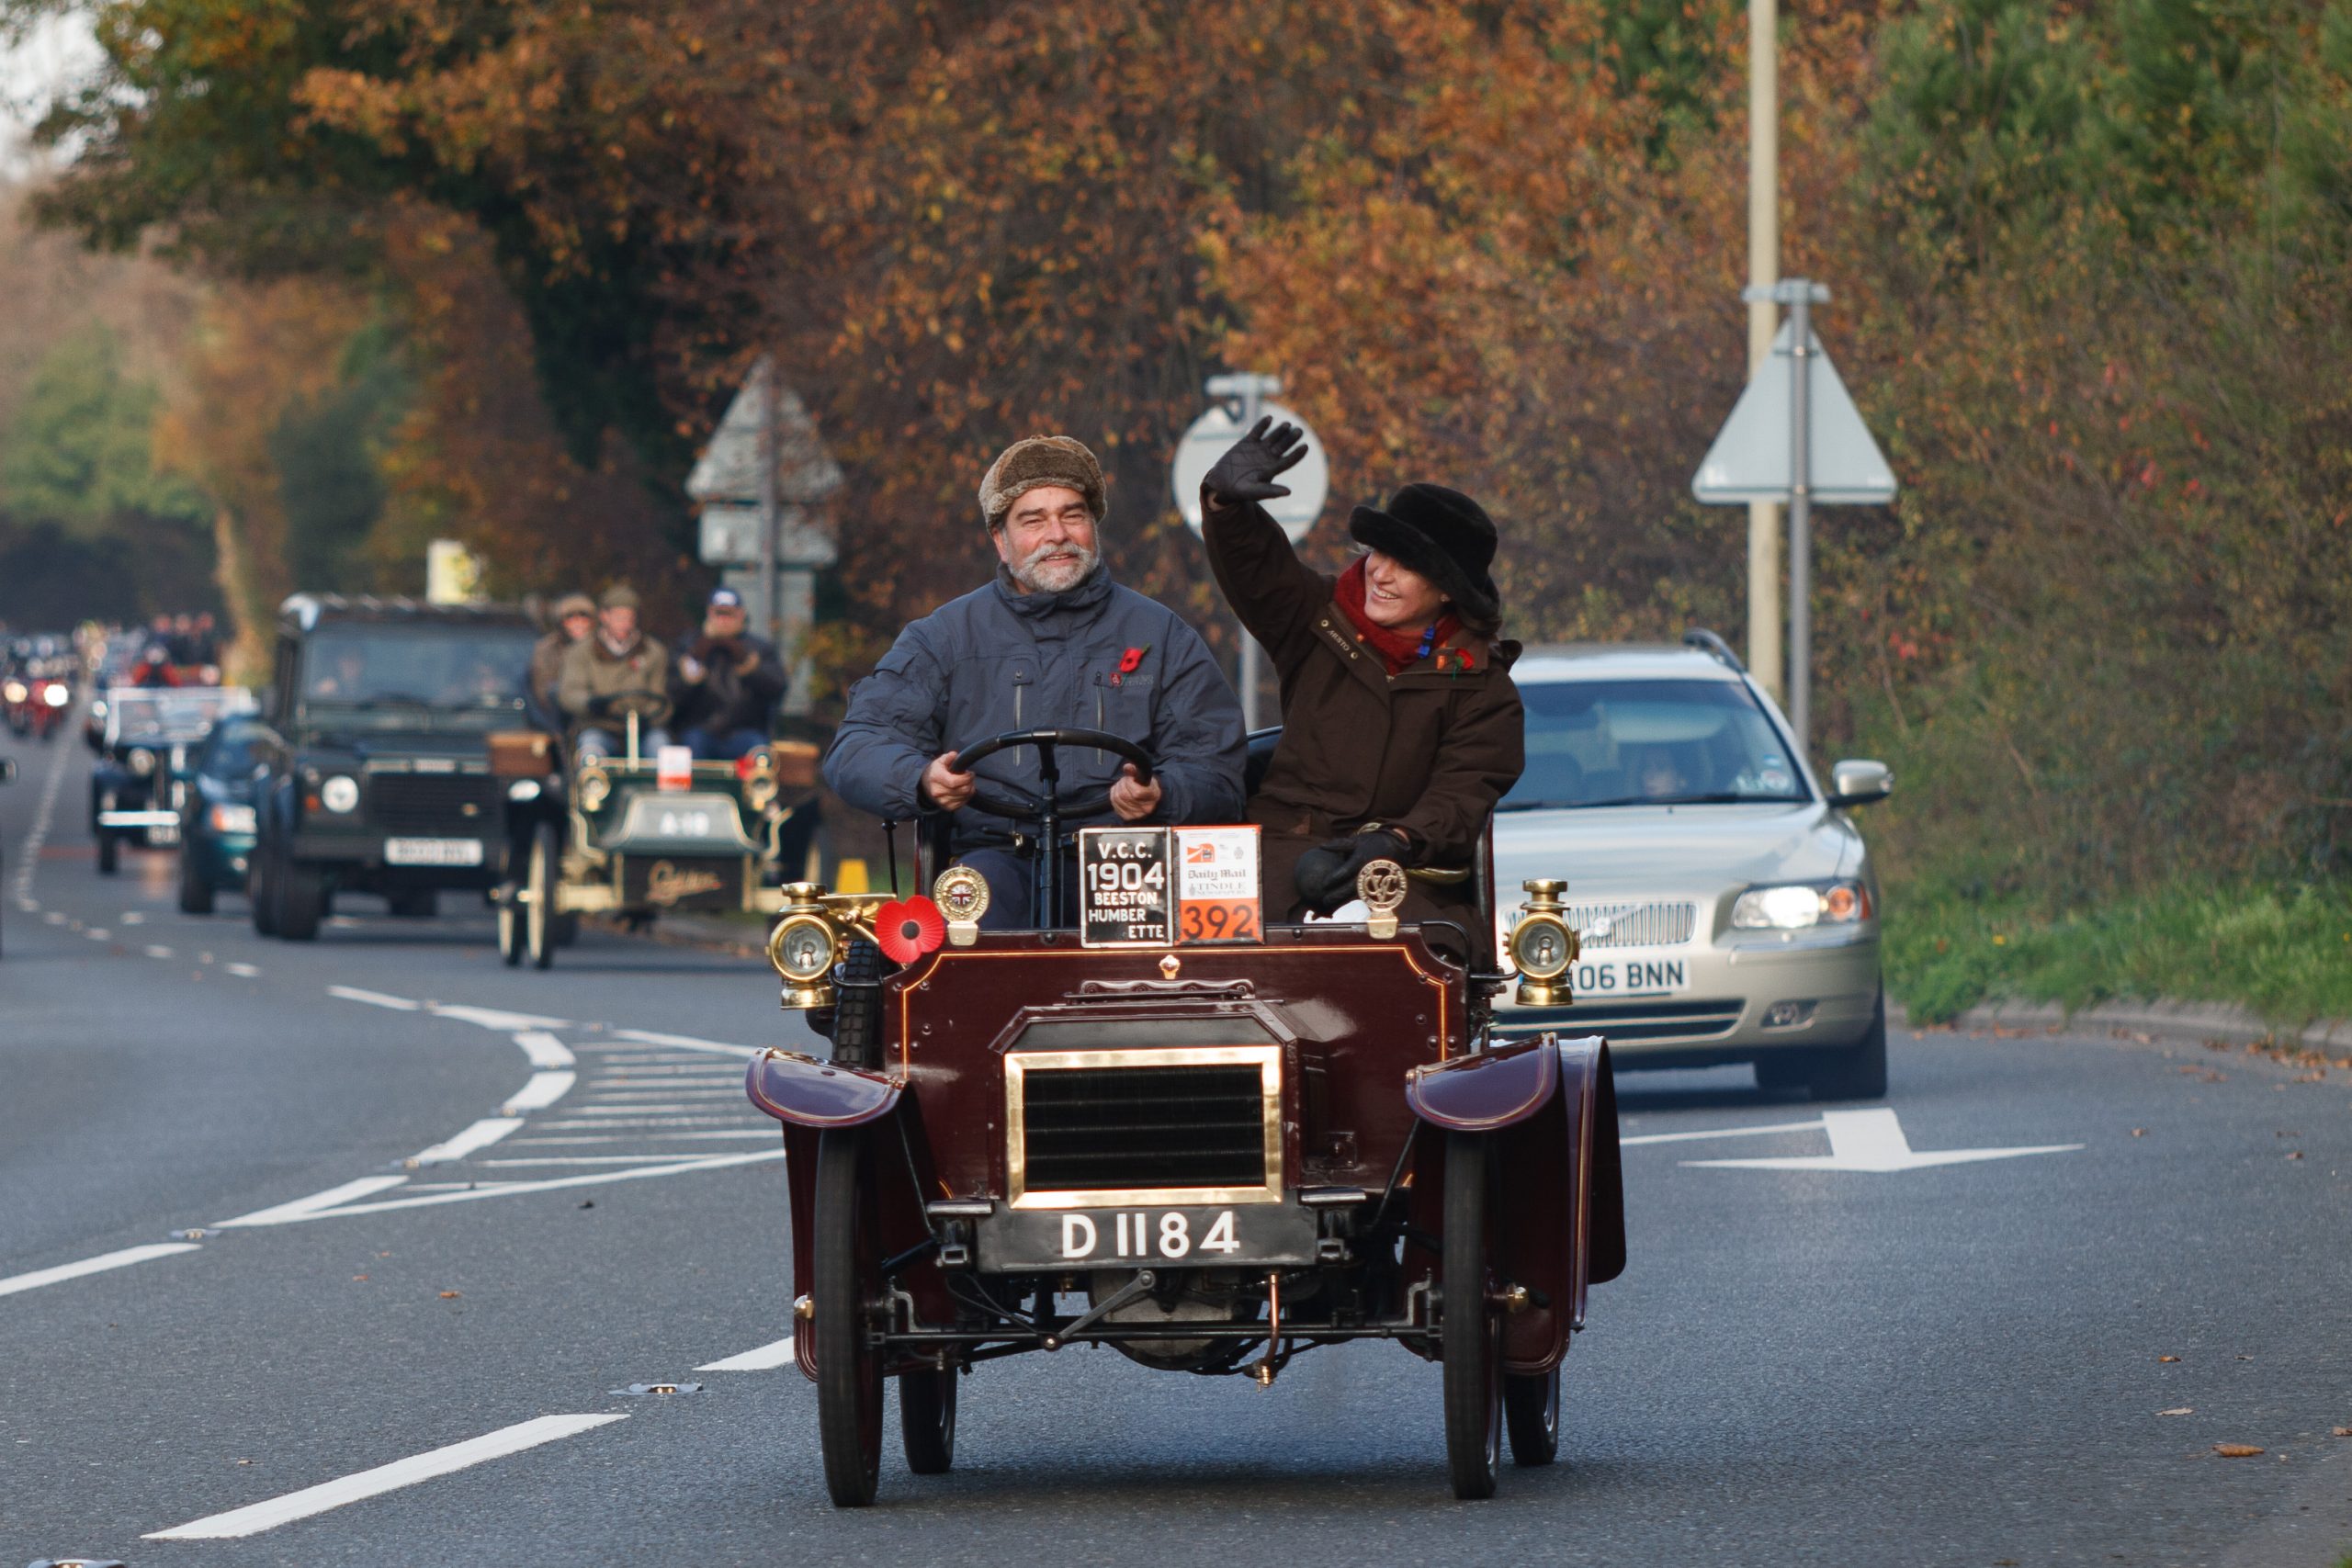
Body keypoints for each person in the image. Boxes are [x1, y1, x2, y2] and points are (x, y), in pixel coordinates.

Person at [826, 434, 1246, 927]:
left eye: (1073, 515)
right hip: (995, 862)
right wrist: (921, 779)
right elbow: (857, 747)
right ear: (1000, 541)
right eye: (1033, 519)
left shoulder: (1162, 636)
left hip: (1131, 864)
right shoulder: (943, 638)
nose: (1057, 534)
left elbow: (1218, 771)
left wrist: (1163, 793)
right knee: (972, 912)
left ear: (1094, 526)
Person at [1199, 418, 1524, 964]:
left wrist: (1395, 841)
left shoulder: (1484, 691)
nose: (1380, 573)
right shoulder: (1317, 617)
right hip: (1271, 858)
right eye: (1378, 552)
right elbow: (1258, 570)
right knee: (1194, 944)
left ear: (1448, 592)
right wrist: (1226, 507)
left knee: (1409, 959)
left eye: (1407, 565)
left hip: (1398, 871)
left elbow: (1459, 797)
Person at [672, 586, 786, 760]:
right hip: (700, 731)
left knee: (760, 753)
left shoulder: (760, 649)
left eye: (730, 614)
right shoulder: (688, 645)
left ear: (741, 615)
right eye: (719, 614)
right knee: (691, 745)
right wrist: (698, 657)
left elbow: (778, 688)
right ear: (709, 614)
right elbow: (673, 693)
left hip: (745, 732)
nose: (724, 621)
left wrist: (749, 666)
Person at [559, 585, 672, 758]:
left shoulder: (653, 652)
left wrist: (648, 717)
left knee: (661, 748)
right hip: (600, 726)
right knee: (590, 752)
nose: (625, 625)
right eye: (619, 618)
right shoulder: (582, 651)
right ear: (604, 616)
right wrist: (590, 703)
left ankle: (658, 786)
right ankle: (591, 783)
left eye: (629, 618)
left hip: (643, 729)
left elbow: (660, 696)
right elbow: (570, 692)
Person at [529, 592, 595, 721]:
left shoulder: (601, 647)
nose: (578, 623)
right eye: (570, 618)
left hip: (595, 712)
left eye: (583, 617)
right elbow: (542, 689)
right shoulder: (548, 648)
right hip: (560, 713)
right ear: (561, 622)